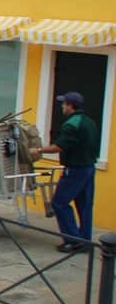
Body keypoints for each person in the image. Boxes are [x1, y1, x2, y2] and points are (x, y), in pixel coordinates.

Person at [42, 91, 101, 252]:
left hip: (75, 169)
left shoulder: (71, 124)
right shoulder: (90, 122)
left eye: (64, 104)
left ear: (70, 106)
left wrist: (37, 150)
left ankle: (73, 240)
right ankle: (85, 241)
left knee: (59, 203)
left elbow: (58, 146)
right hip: (89, 167)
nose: (62, 106)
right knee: (84, 205)